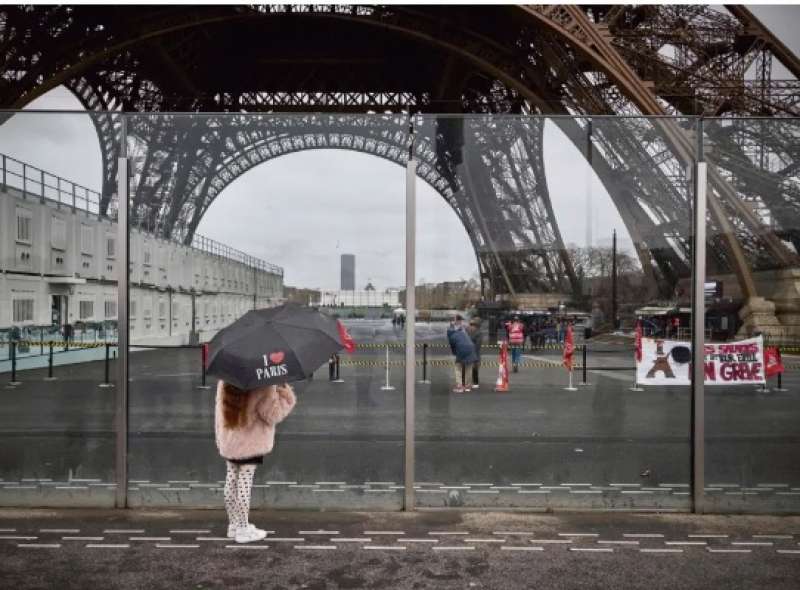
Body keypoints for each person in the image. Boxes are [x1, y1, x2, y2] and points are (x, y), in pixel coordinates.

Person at [215, 380, 296, 543]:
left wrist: (220, 437)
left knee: (231, 478)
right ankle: (244, 529)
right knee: (244, 481)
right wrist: (283, 391)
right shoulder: (262, 384)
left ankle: (234, 525)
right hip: (250, 441)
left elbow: (219, 411)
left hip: (230, 439)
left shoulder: (225, 381)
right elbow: (273, 415)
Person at [447, 314, 478, 393]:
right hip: (471, 348)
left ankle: (460, 387)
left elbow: (453, 346)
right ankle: (467, 386)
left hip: (462, 349)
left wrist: (455, 354)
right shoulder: (463, 330)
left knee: (458, 368)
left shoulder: (451, 334)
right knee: (468, 367)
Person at [466, 317, 483, 389]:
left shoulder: (466, 330)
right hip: (474, 352)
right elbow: (478, 345)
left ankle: (466, 382)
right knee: (475, 368)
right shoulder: (479, 332)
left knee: (466, 367)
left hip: (466, 351)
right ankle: (475, 383)